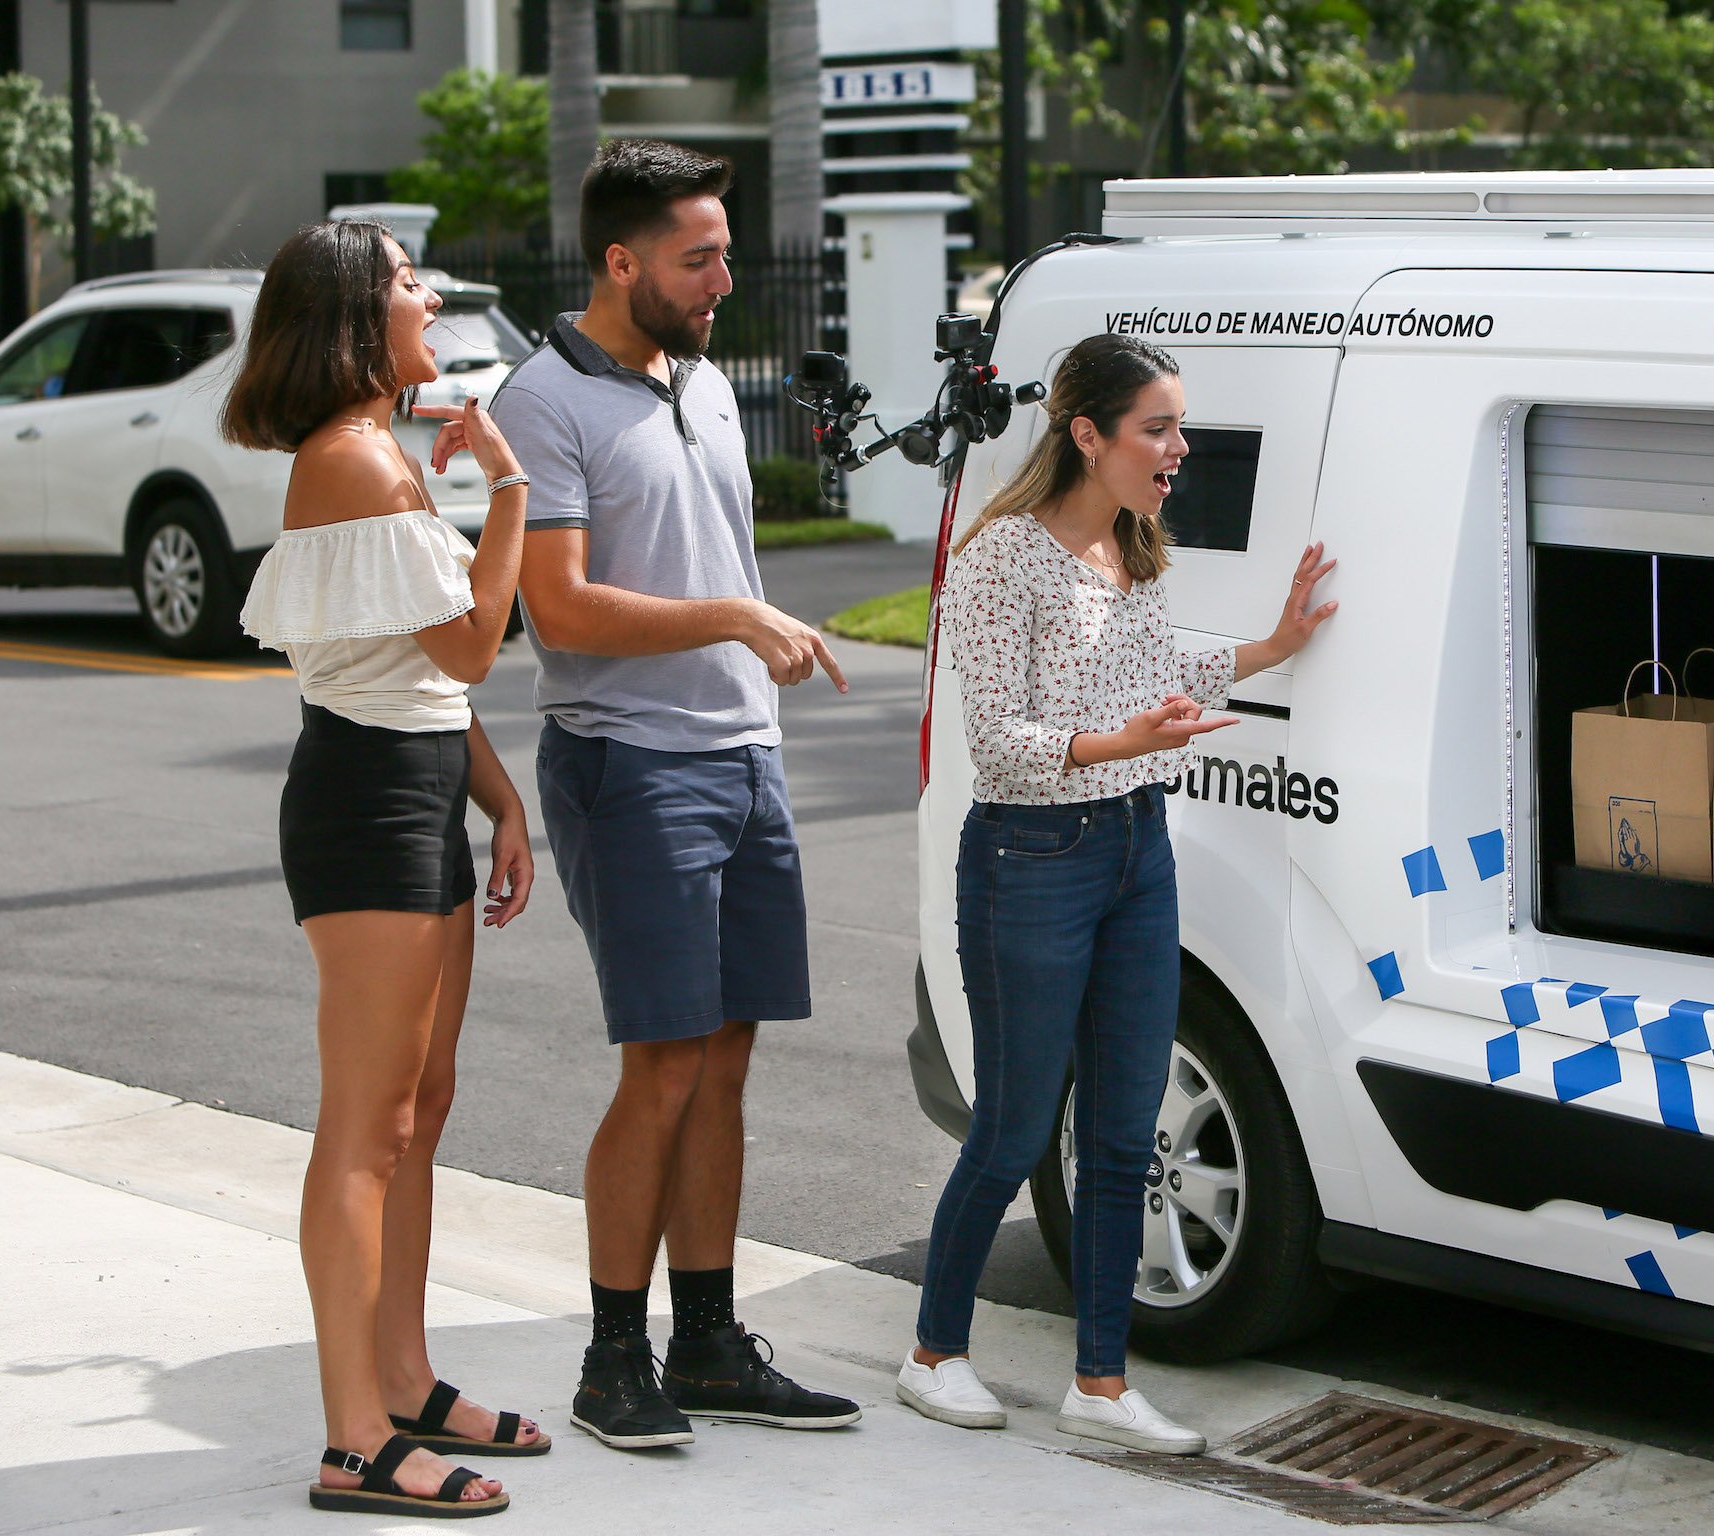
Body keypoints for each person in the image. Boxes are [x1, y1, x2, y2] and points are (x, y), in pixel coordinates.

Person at [895, 333, 1337, 1452]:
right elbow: (998, 745)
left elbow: (1156, 673)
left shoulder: (1133, 545)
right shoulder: (1001, 560)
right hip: (1032, 859)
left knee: (1127, 1131)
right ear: (1086, 435)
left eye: (1178, 427)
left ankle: (1100, 1386)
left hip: (1141, 852)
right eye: (1158, 428)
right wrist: (1115, 743)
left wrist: (1275, 646)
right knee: (1014, 1127)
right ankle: (933, 1355)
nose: (1178, 448)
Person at [490, 139, 861, 1450]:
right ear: (621, 259)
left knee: (728, 1057)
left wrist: (742, 639)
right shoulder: (546, 401)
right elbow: (561, 610)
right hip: (629, 762)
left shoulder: (696, 380)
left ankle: (705, 1342)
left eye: (724, 253)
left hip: (741, 755)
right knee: (662, 1065)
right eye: (697, 258)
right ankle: (609, 1361)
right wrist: (734, 616)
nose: (722, 280)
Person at [229, 220, 543, 1518]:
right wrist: (513, 494)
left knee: (419, 1111)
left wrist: (502, 801)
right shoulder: (354, 463)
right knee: (365, 1131)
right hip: (362, 808)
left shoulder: (382, 456)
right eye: (410, 283)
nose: (430, 300)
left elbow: (424, 682)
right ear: (360, 315)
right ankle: (355, 1439)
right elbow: (471, 648)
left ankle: (405, 1379)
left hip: (415, 790)